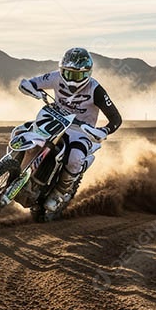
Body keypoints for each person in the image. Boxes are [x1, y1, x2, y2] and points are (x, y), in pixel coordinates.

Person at [18, 47, 122, 211]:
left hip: (81, 131)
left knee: (74, 158)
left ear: (88, 73)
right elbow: (30, 83)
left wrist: (104, 130)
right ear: (61, 70)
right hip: (54, 119)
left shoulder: (96, 89)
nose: (72, 79)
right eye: (68, 73)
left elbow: (116, 119)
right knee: (21, 131)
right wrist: (32, 89)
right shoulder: (55, 77)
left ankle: (59, 193)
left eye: (78, 75)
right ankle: (12, 170)